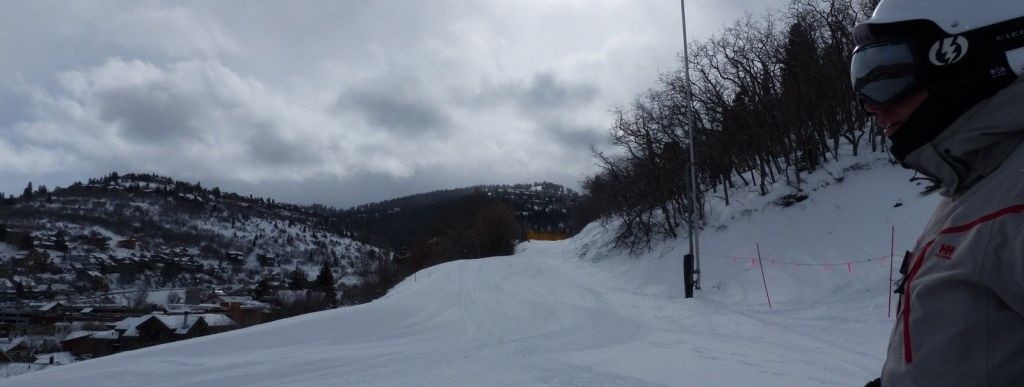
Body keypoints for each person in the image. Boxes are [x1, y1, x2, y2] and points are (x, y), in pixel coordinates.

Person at [850, 1, 1024, 386]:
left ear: (967, 61)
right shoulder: (973, 185)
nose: (870, 105)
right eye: (861, 78)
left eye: (887, 77)